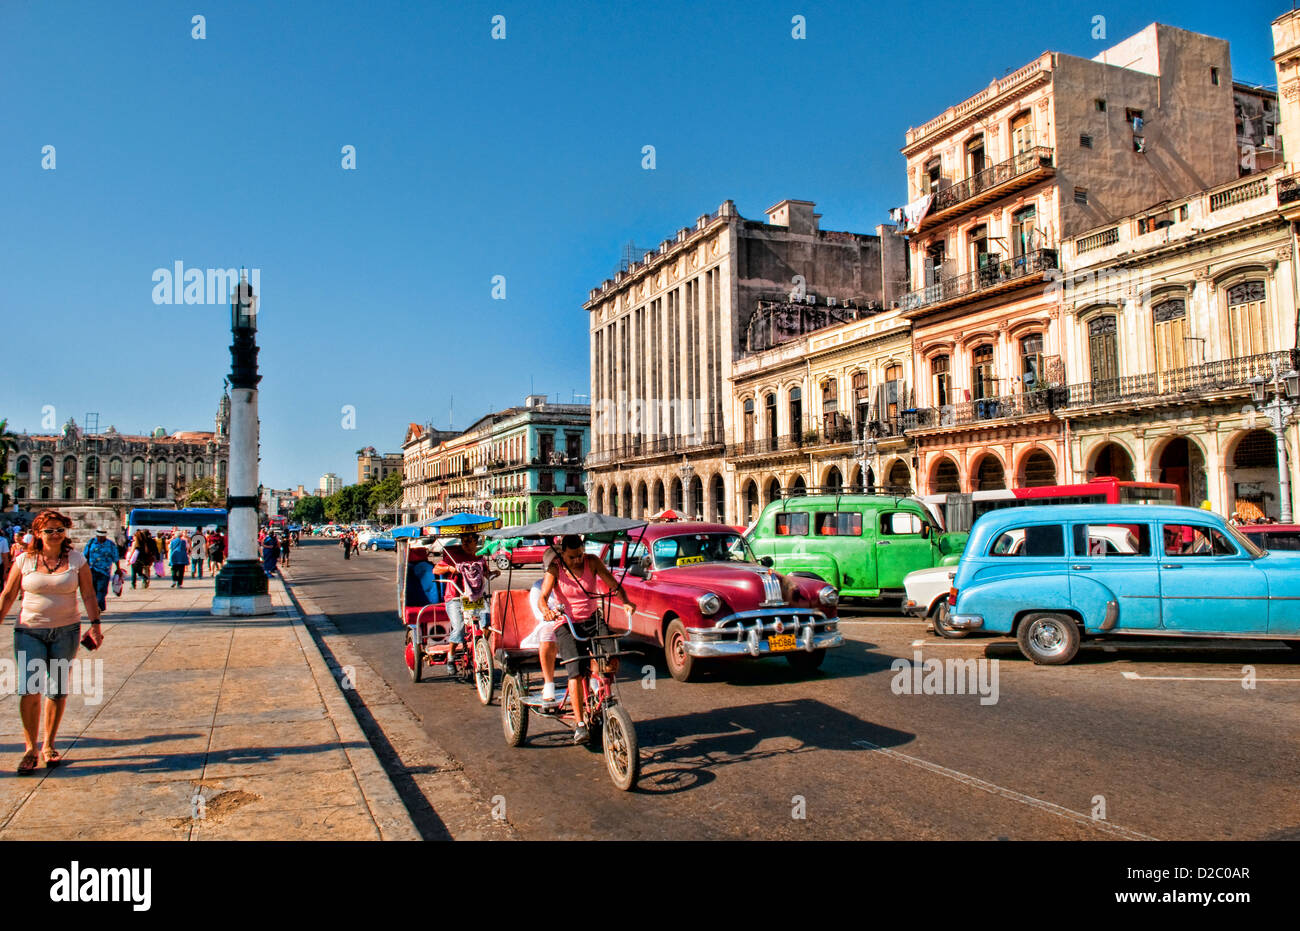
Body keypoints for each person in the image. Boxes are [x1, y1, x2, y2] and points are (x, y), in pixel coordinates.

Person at [0, 509, 103, 774]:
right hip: (30, 631)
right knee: (30, 689)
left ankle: (49, 744)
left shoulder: (77, 560)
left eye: (60, 530)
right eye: (49, 530)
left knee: (56, 690)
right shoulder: (24, 560)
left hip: (66, 631)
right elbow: (9, 594)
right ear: (37, 533)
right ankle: (30, 748)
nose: (56, 534)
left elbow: (89, 595)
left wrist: (95, 626)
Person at [536, 534, 635, 744]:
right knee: (575, 671)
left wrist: (625, 601)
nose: (577, 560)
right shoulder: (556, 567)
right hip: (567, 623)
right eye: (572, 557)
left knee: (611, 657)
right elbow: (543, 597)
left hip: (592, 619)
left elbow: (612, 584)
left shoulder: (592, 561)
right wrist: (546, 610)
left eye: (580, 555)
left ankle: (600, 688)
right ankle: (580, 724)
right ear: (563, 553)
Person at [432, 531, 500, 664]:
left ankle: (480, 645)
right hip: (455, 596)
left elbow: (486, 574)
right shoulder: (453, 556)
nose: (466, 544)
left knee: (487, 619)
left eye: (469, 541)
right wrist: (450, 569)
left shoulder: (479, 557)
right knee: (458, 628)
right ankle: (451, 654)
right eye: (463, 541)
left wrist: (493, 573)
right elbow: (436, 569)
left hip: (475, 596)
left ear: (476, 542)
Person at [82, 528, 120, 613]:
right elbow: (84, 556)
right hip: (91, 570)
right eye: (99, 536)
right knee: (93, 590)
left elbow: (116, 557)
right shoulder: (91, 542)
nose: (100, 538)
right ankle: (100, 606)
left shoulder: (110, 544)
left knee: (101, 590)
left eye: (102, 537)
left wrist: (118, 569)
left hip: (104, 571)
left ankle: (97, 606)